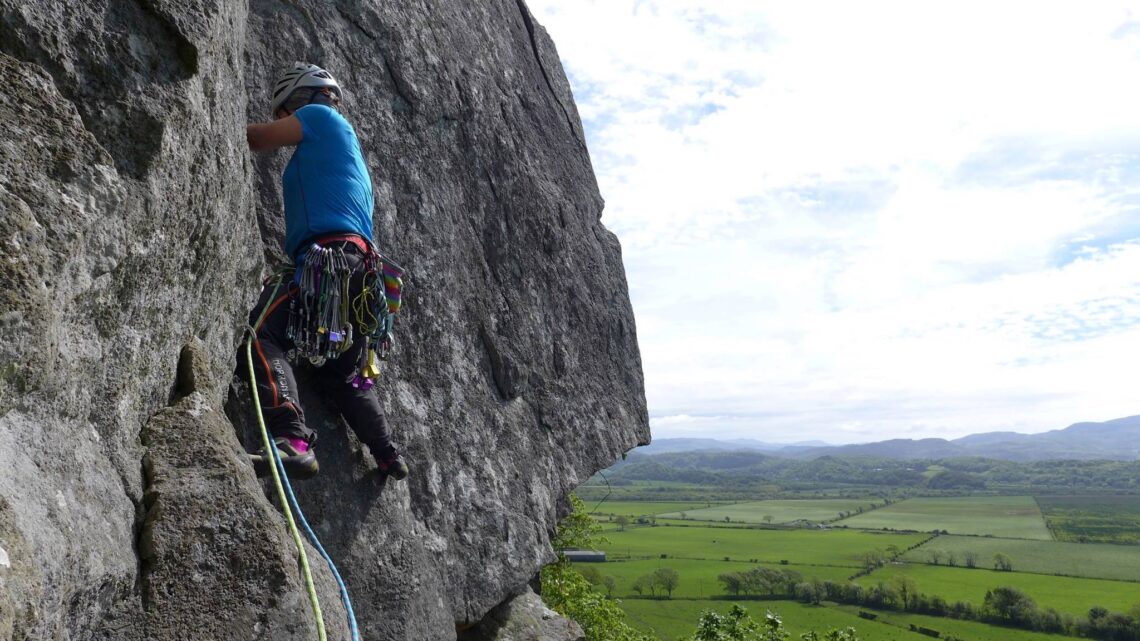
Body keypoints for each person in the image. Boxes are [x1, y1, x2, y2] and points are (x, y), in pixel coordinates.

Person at [242, 62, 408, 481]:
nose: (285, 122)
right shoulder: (347, 151)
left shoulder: (321, 116)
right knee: (341, 375)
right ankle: (386, 453)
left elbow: (255, 138)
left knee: (262, 335)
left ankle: (291, 441)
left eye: (285, 112)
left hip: (328, 261)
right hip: (361, 273)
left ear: (300, 98)